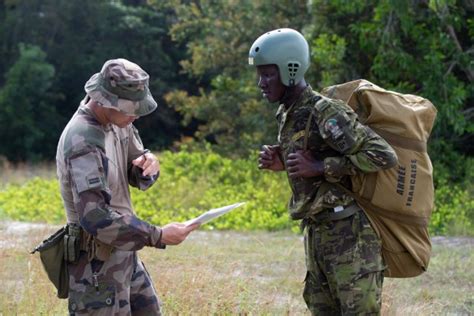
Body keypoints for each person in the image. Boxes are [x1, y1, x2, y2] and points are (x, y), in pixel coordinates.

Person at [249, 28, 398, 315]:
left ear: (290, 70)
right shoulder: (288, 112)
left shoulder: (325, 112)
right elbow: (313, 158)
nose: (261, 83)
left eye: (267, 74)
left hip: (349, 235)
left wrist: (321, 167)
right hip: (318, 232)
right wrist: (283, 163)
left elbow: (383, 156)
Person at [56, 58, 199, 315]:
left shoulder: (120, 122)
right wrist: (158, 235)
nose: (136, 115)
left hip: (125, 255)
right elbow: (95, 217)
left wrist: (147, 166)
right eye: (130, 108)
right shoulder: (83, 141)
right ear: (105, 100)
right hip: (95, 266)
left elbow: (135, 169)